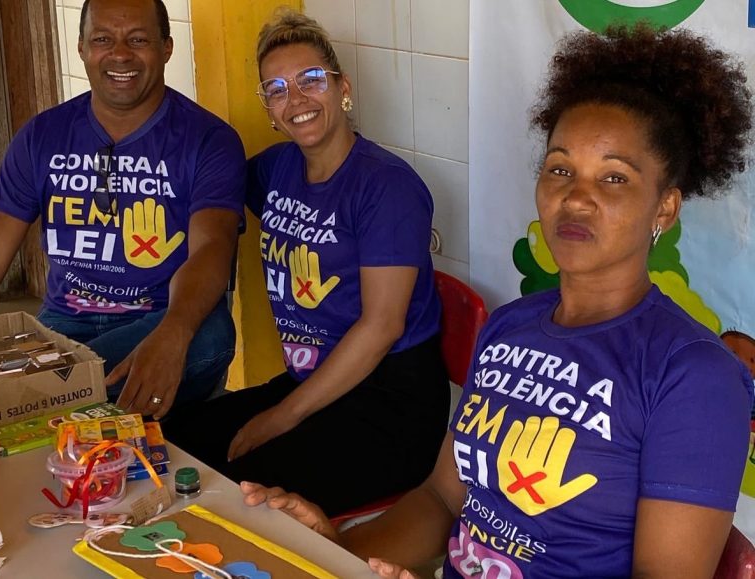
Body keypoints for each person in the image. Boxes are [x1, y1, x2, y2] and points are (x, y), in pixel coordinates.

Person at [238, 23, 755, 578]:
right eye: (560, 169)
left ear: (665, 208)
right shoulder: (510, 326)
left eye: (614, 179)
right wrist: (334, 549)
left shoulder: (695, 375)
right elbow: (442, 499)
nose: (576, 197)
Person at [163, 9, 450, 517]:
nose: (295, 99)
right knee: (170, 440)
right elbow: (211, 192)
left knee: (240, 489)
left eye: (310, 79)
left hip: (389, 405)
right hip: (311, 384)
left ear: (343, 88)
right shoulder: (277, 169)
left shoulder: (387, 187)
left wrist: (281, 417)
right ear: (269, 110)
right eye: (276, 89)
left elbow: (382, 326)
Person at [0, 0, 246, 419]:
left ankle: (41, 399)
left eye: (138, 40)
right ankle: (66, 401)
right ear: (82, 48)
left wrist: (173, 332)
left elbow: (211, 248)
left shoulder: (209, 140)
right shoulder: (42, 135)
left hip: (157, 319)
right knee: (55, 364)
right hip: (63, 324)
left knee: (209, 334)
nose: (120, 54)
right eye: (103, 39)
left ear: (166, 47)